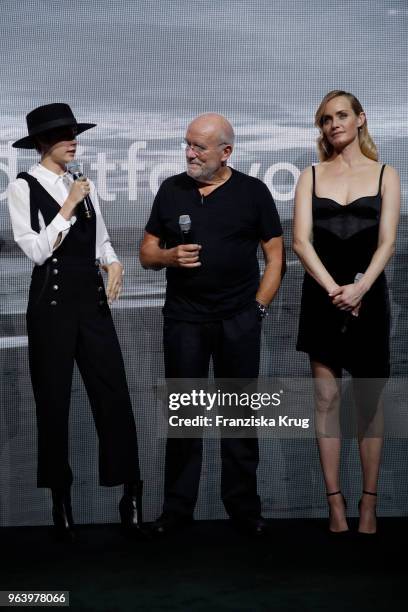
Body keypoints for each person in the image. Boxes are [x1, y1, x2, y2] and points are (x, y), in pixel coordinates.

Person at [140, 113, 284, 536]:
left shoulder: (253, 193)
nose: (189, 153)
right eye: (187, 144)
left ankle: (243, 508)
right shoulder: (171, 190)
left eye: (199, 147)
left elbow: (275, 258)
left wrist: (256, 310)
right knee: (183, 419)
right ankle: (177, 511)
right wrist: (168, 257)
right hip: (184, 321)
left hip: (238, 319)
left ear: (226, 152)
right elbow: (147, 252)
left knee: (239, 420)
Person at [8, 103, 145, 540]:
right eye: (65, 135)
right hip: (50, 304)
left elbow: (100, 239)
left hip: (91, 302)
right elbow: (35, 250)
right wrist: (67, 205)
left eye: (74, 133)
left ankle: (131, 492)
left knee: (114, 396)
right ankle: (60, 499)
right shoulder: (23, 188)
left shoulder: (82, 184)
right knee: (53, 401)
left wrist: (114, 262)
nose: (73, 141)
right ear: (44, 143)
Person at [293, 90, 400, 534]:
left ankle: (369, 505)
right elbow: (300, 241)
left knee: (369, 406)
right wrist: (336, 289)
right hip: (323, 294)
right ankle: (335, 504)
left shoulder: (386, 174)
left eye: (340, 116)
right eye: (324, 119)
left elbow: (388, 242)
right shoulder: (311, 175)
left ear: (360, 119)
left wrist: (359, 290)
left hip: (369, 295)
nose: (333, 124)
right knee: (326, 400)